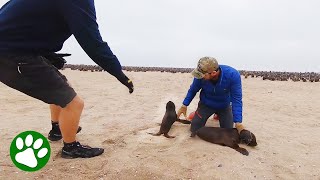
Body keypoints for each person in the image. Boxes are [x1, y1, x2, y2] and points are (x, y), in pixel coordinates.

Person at [0, 0, 134, 158]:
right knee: (74, 103)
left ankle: (57, 129)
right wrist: (119, 73)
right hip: (10, 55)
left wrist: (46, 54)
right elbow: (92, 42)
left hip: (17, 50)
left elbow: (23, 20)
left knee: (60, 88)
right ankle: (70, 148)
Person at [177, 57, 245, 136]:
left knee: (228, 132)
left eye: (202, 75)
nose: (200, 77)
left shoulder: (233, 75)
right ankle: (196, 114)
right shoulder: (200, 75)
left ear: (213, 73)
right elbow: (193, 89)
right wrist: (184, 105)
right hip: (206, 104)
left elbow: (236, 99)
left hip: (224, 106)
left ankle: (218, 115)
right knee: (194, 130)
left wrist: (238, 122)